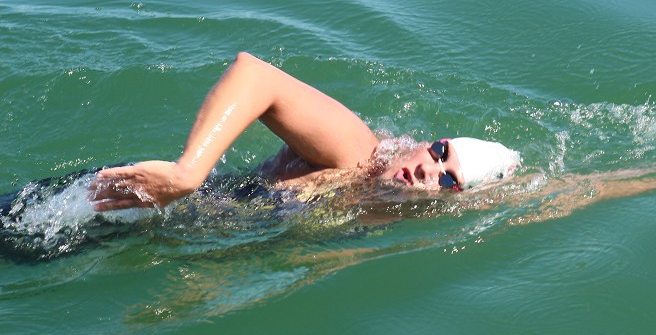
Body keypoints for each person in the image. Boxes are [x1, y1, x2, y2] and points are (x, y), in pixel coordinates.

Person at [88, 52, 521, 211]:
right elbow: (255, 75)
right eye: (440, 151)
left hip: (164, 243)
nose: (431, 169)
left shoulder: (379, 214)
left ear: (456, 200)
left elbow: (552, 196)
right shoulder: (356, 154)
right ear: (428, 142)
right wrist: (187, 174)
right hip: (121, 206)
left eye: (448, 178)